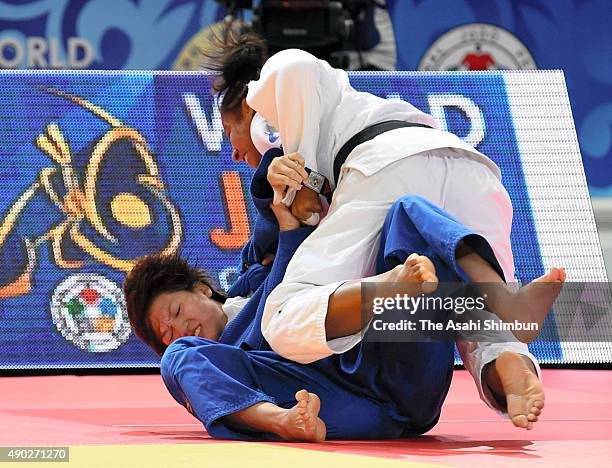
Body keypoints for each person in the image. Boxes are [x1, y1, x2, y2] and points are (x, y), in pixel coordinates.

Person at [206, 25, 565, 420]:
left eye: (229, 131)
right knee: (468, 310)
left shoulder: (280, 87)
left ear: (246, 104)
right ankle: (511, 363)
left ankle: (391, 289)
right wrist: (299, 182)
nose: (236, 153)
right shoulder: (334, 112)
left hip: (390, 166)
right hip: (474, 176)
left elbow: (295, 67)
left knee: (281, 317)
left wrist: (298, 162)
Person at [124, 194, 548, 441]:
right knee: (180, 358)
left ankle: (503, 306)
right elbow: (187, 358)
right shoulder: (223, 360)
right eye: (164, 332)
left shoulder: (254, 272)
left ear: (202, 288)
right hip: (332, 408)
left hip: (392, 357)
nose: (177, 329)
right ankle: (280, 422)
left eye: (175, 312)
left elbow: (275, 198)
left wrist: (285, 200)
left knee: (407, 210)